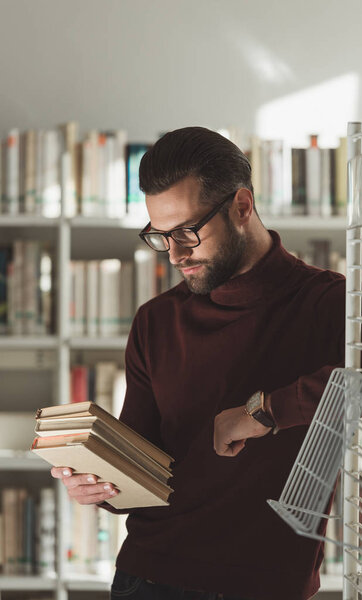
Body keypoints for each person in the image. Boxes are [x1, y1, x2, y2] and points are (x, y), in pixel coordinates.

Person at [51, 127, 345, 600]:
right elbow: (143, 457)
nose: (175, 254)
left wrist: (263, 412)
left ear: (242, 207)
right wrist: (100, 484)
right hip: (147, 577)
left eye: (187, 231)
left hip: (265, 586)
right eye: (160, 236)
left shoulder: (330, 302)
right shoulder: (155, 320)